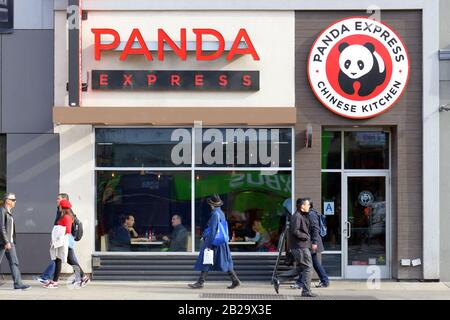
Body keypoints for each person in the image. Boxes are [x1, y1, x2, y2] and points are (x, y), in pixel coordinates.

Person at [188, 195, 241, 289]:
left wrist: (208, 245)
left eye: (210, 204)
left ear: (212, 205)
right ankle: (235, 280)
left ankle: (200, 283)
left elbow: (213, 230)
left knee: (206, 260)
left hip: (214, 242)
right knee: (225, 261)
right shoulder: (221, 213)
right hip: (221, 242)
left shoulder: (214, 214)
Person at [34, 193, 85, 285]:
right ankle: (81, 277)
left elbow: (65, 228)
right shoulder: (61, 211)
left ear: (64, 200)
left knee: (63, 259)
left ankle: (51, 279)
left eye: (59, 199)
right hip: (63, 239)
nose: (57, 200)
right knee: (67, 260)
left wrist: (57, 238)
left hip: (66, 239)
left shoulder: (66, 213)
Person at [273, 198, 317, 297]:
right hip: (300, 247)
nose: (309, 206)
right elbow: (295, 231)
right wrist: (307, 237)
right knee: (308, 268)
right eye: (307, 205)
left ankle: (279, 279)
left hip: (300, 246)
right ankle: (306, 291)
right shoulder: (297, 216)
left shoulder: (301, 215)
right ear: (302, 206)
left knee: (301, 268)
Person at [44, 199, 89, 288]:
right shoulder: (65, 215)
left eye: (59, 205)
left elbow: (67, 230)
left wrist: (57, 238)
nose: (58, 206)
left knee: (60, 260)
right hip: (63, 241)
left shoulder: (67, 217)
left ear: (62, 207)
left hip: (64, 242)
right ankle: (83, 277)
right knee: (69, 260)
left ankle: (55, 282)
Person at [292, 200, 330, 289]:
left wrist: (314, 242)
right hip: (310, 242)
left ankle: (300, 283)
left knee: (306, 263)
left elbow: (315, 228)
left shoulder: (311, 214)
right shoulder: (308, 214)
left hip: (312, 243)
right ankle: (324, 281)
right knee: (313, 262)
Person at [0, 193, 30, 290]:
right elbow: (1, 227)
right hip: (3, 242)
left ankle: (18, 283)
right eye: (13, 200)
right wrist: (6, 241)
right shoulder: (2, 210)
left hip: (10, 242)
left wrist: (10, 241)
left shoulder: (8, 211)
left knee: (14, 262)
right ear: (7, 200)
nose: (15, 201)